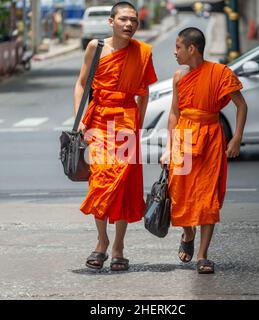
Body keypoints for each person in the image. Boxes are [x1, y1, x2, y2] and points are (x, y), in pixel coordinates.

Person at [73, 1, 158, 271]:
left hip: (126, 122)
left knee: (122, 186)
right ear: (111, 21)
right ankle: (101, 242)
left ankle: (119, 246)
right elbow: (81, 83)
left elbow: (143, 94)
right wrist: (78, 121)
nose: (129, 24)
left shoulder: (142, 52)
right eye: (123, 19)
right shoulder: (95, 48)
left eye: (133, 20)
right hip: (98, 122)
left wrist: (139, 127)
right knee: (99, 180)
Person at [160, 27, 247, 274]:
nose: (175, 52)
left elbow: (241, 105)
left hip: (210, 138)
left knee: (207, 199)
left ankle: (203, 254)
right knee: (180, 193)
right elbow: (174, 113)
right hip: (184, 137)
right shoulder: (179, 77)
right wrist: (168, 147)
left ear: (191, 49)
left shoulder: (220, 73)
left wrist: (237, 138)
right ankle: (188, 234)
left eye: (178, 47)